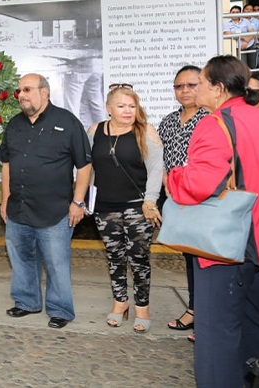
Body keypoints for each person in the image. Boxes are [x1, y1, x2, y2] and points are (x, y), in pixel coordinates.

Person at [168, 55, 259, 387]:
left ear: (218, 88)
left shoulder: (214, 122)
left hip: (229, 247)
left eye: (202, 82)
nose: (197, 89)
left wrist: (174, 178)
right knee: (256, 327)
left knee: (216, 336)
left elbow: (199, 183)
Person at [0, 73, 92, 329]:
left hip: (55, 211)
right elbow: (7, 163)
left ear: (45, 92)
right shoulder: (14, 125)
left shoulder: (67, 122)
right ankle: (26, 301)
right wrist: (5, 199)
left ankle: (60, 309)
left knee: (56, 263)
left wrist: (78, 202)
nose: (21, 95)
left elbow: (84, 166)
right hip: (19, 208)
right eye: (19, 91)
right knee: (21, 258)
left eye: (27, 89)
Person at [87, 84, 163, 333]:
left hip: (138, 208)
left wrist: (150, 201)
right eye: (121, 106)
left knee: (139, 259)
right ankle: (120, 302)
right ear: (109, 108)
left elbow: (155, 169)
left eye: (132, 106)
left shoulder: (146, 131)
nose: (128, 110)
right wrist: (84, 199)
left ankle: (142, 306)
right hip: (105, 207)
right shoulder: (95, 131)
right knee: (114, 257)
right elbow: (88, 168)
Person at [157, 66, 208, 341]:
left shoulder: (211, 118)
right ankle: (194, 309)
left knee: (206, 258)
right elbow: (161, 160)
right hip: (177, 200)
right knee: (190, 257)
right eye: (179, 86)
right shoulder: (167, 121)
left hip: (204, 200)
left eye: (191, 85)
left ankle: (206, 314)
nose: (185, 90)